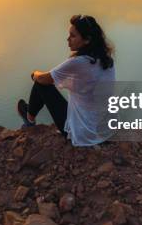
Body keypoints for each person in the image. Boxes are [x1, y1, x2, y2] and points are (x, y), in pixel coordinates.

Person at [16, 14, 116, 146]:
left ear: (87, 40)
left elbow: (44, 79)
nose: (68, 39)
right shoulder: (107, 60)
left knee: (41, 84)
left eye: (73, 36)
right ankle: (30, 113)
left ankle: (30, 119)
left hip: (84, 134)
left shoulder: (79, 62)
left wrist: (34, 74)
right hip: (107, 130)